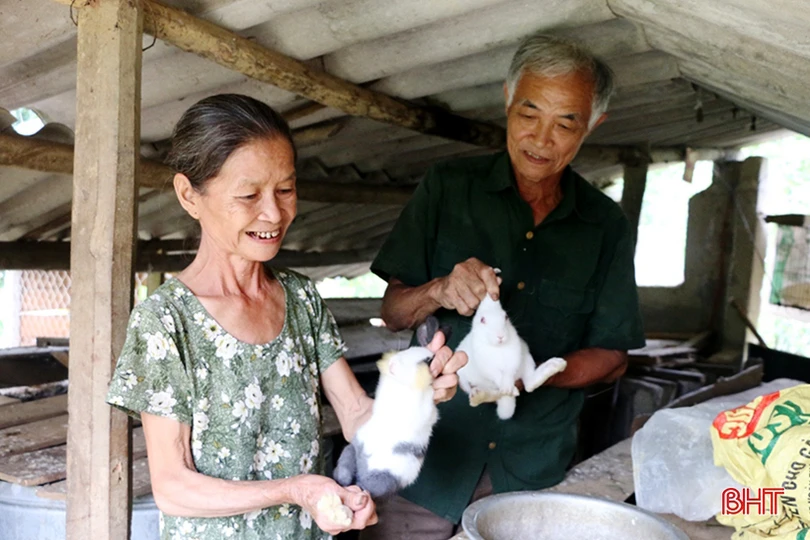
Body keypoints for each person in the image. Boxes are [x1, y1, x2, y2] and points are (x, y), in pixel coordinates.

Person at [105, 94, 466, 540]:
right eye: (248, 194)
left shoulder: (300, 299)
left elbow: (356, 416)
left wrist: (416, 395)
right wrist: (295, 490)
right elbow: (174, 488)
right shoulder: (166, 322)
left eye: (286, 189)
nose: (274, 213)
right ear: (189, 195)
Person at [363, 34, 646, 539]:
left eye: (566, 123)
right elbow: (392, 312)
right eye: (529, 113)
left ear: (593, 126)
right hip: (424, 462)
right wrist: (437, 291)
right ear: (507, 100)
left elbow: (613, 354)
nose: (541, 138)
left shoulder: (604, 225)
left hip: (530, 473)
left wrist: (534, 376)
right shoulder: (448, 188)